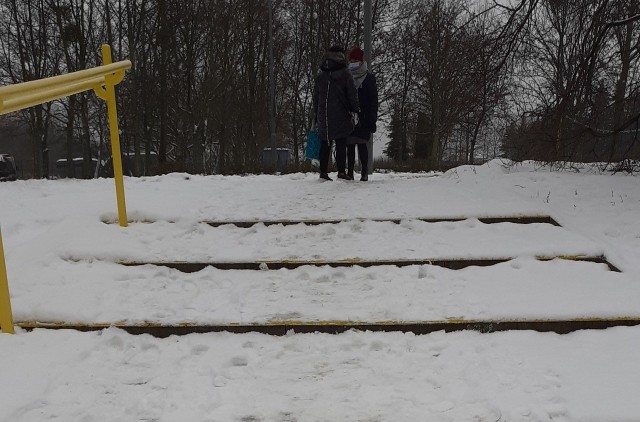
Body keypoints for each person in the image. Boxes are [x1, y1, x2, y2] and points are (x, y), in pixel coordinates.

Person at [313, 45, 360, 181]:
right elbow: (352, 93)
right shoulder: (345, 73)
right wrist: (355, 109)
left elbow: (316, 96)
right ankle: (341, 171)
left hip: (323, 114)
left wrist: (317, 113)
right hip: (341, 113)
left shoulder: (321, 74)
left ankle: (323, 172)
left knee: (325, 142)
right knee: (341, 142)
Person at [346, 47, 378, 182]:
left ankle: (364, 171)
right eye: (351, 60)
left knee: (362, 144)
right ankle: (350, 172)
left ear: (361, 61)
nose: (353, 63)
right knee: (350, 145)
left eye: (355, 60)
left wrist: (372, 119)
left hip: (364, 117)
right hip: (349, 116)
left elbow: (373, 100)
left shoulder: (369, 78)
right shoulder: (346, 77)